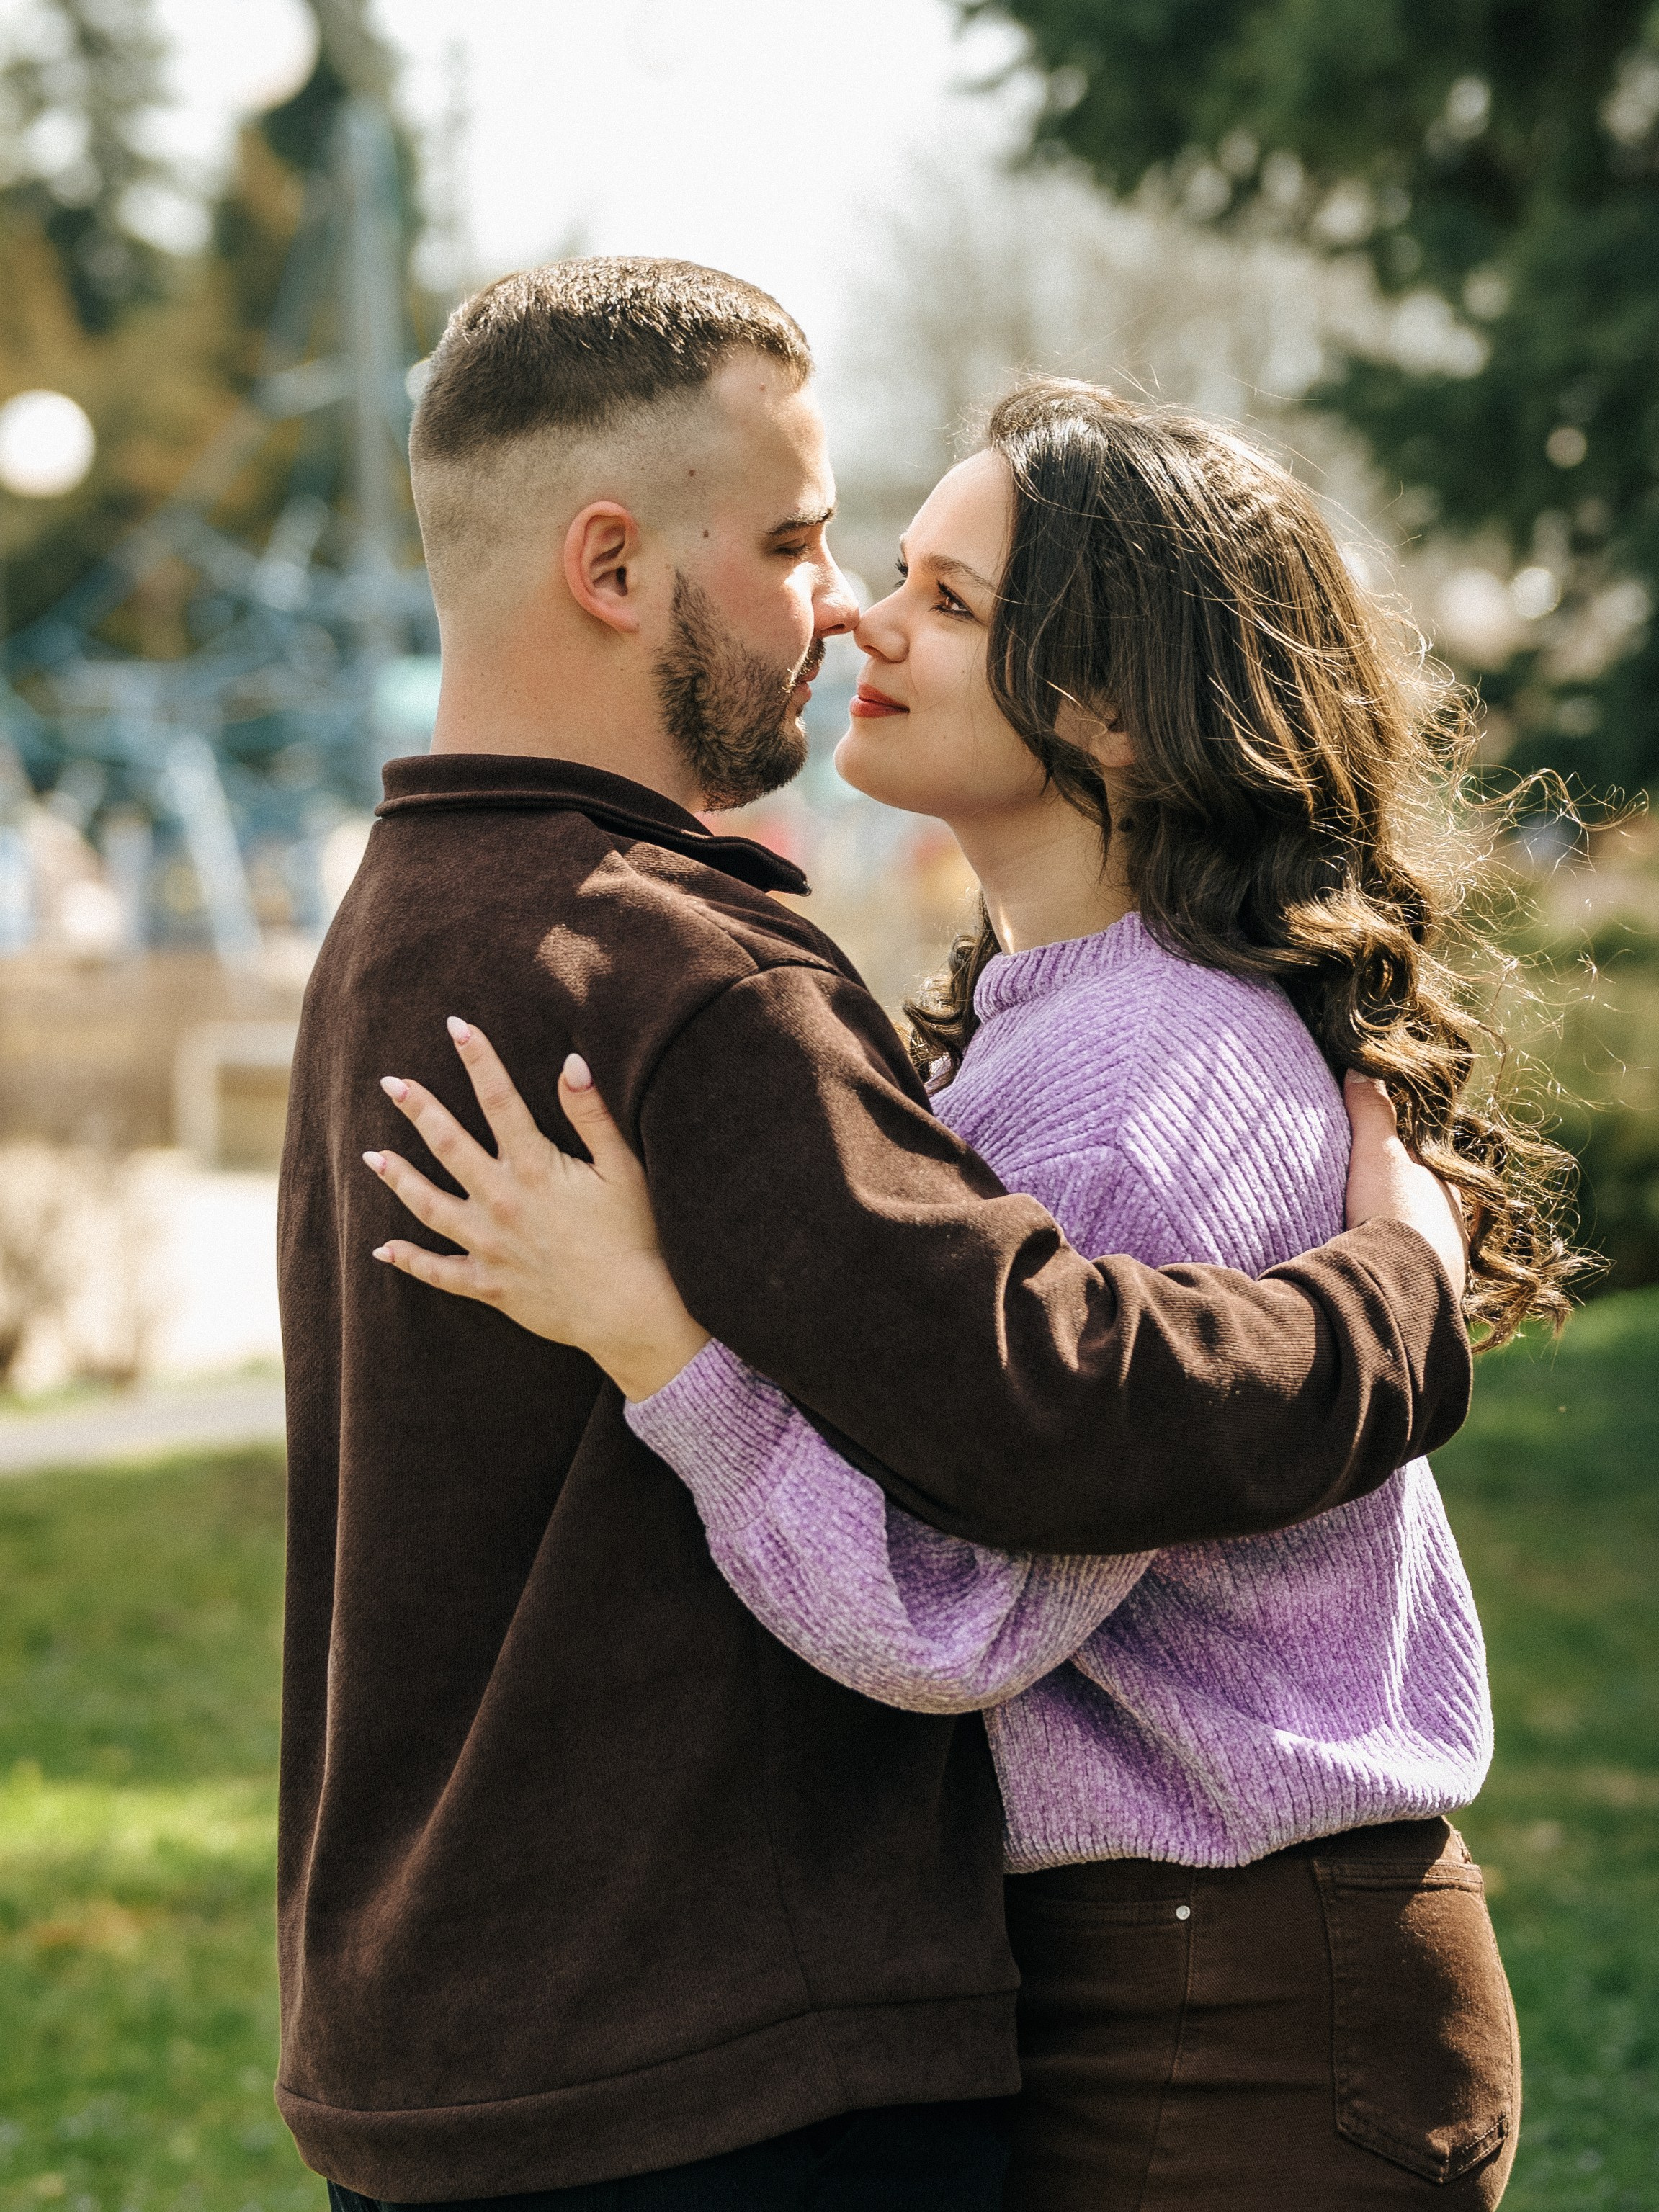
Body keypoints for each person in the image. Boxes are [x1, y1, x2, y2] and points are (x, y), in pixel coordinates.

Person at [282, 260, 1475, 2212]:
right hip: (709, 2075)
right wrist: (1399, 1298)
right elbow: (1058, 1415)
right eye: (804, 543)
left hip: (465, 2047)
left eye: (927, 585)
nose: (842, 608)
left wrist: (669, 1349)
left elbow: (1024, 1454)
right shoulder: (689, 977)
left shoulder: (395, 931)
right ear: (611, 566)